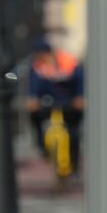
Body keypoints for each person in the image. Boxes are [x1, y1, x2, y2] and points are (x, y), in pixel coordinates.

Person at [25, 37, 82, 166]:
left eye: (41, 54)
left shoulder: (67, 61)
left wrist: (80, 96)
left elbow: (79, 79)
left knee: (73, 132)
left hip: (69, 102)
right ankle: (42, 146)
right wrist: (33, 98)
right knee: (35, 118)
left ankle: (74, 163)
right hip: (48, 102)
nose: (39, 58)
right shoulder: (38, 67)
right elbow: (34, 84)